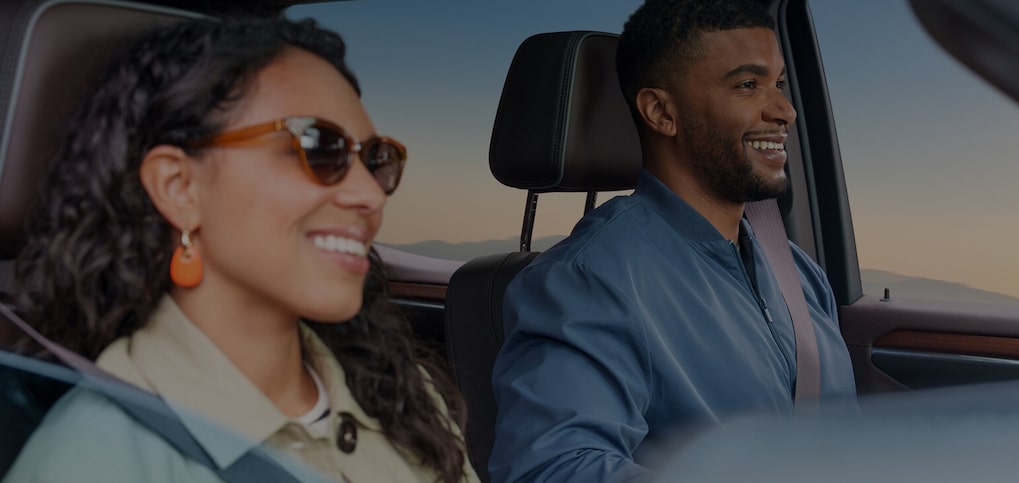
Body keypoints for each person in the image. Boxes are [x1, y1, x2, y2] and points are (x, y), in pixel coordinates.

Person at [4, 17, 475, 483]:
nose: (371, 195)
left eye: (377, 161)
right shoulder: (96, 459)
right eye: (319, 147)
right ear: (179, 186)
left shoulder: (405, 393)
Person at [489, 1, 857, 481]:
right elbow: (553, 468)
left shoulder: (799, 273)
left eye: (779, 84)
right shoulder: (587, 282)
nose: (784, 110)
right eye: (748, 85)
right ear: (661, 112)